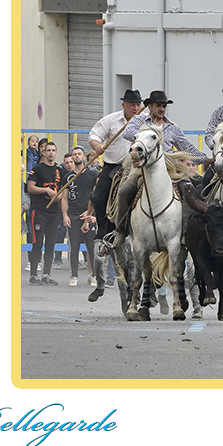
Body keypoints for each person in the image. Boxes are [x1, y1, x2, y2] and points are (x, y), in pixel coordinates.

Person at [102, 90, 205, 252]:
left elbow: (186, 147)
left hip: (170, 167)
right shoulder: (140, 121)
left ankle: (184, 233)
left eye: (164, 106)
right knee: (124, 191)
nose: (162, 109)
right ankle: (121, 232)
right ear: (149, 106)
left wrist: (206, 159)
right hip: (143, 168)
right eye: (158, 106)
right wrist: (148, 134)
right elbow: (128, 133)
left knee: (188, 190)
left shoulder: (172, 127)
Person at [86, 89, 145, 299]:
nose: (135, 108)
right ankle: (105, 229)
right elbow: (94, 135)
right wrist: (97, 146)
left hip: (137, 168)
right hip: (112, 167)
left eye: (138, 104)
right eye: (132, 104)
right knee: (98, 198)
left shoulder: (145, 122)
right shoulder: (111, 120)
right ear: (124, 105)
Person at [26, 141, 64, 286]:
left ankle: (47, 274)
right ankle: (34, 274)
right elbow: (30, 188)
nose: (50, 153)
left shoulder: (59, 171)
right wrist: (46, 190)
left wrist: (60, 196)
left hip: (54, 212)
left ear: (56, 153)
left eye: (53, 150)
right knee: (37, 242)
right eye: (48, 150)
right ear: (44, 152)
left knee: (51, 243)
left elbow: (63, 189)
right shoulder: (37, 169)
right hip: (39, 210)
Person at [62, 151, 98, 288]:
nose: (77, 156)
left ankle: (93, 275)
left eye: (79, 154)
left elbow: (95, 197)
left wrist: (91, 213)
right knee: (74, 245)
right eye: (74, 154)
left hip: (88, 214)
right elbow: (64, 198)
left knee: (91, 246)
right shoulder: (68, 177)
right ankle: (74, 276)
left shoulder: (92, 175)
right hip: (73, 214)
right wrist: (65, 215)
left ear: (84, 157)